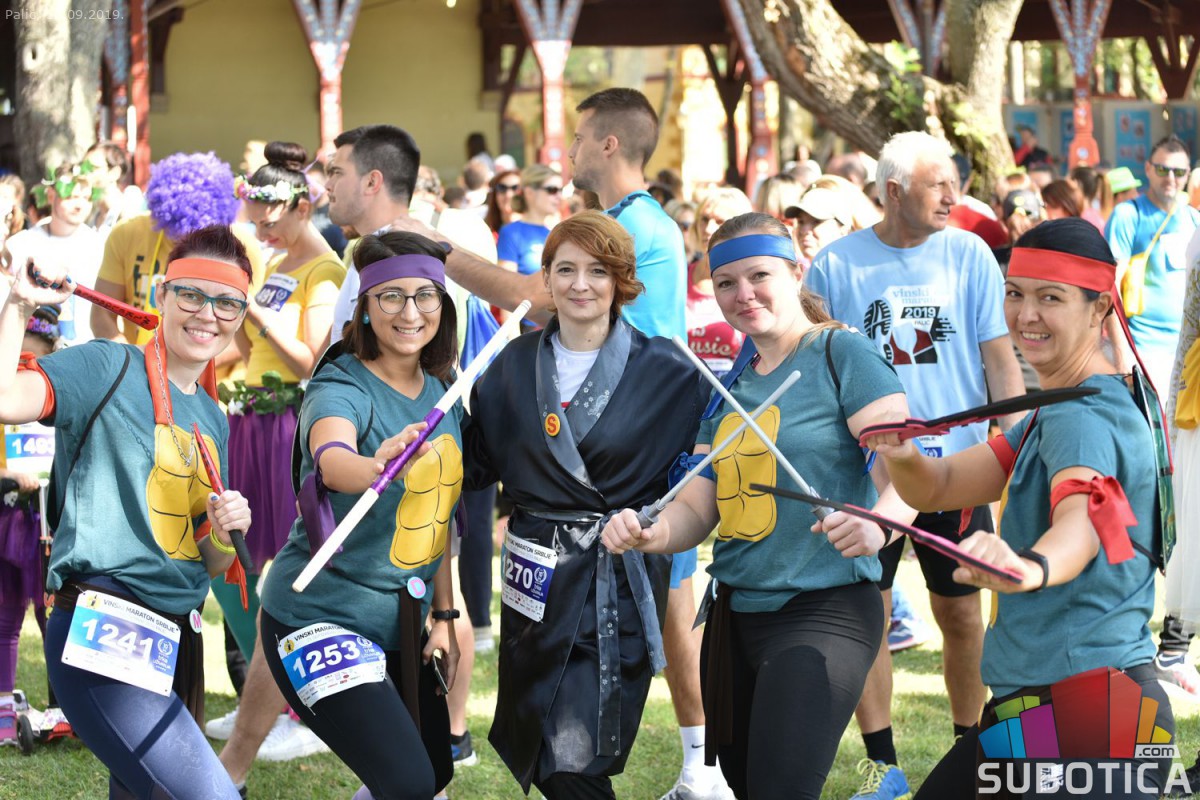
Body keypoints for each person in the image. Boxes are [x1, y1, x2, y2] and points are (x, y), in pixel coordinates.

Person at [602, 212, 911, 800]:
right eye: (726, 282)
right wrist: (650, 533)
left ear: (795, 272)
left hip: (825, 607)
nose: (743, 294)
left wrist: (880, 526)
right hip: (735, 617)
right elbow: (698, 508)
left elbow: (911, 474)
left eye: (759, 275)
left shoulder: (843, 354)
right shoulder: (729, 390)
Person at [866, 218, 1174, 799]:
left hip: (1093, 715)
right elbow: (940, 486)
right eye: (1014, 293)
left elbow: (1081, 521)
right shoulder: (1058, 406)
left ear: (1099, 309)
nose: (1026, 315)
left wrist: (1027, 566)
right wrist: (903, 453)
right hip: (1052, 708)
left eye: (1050, 298)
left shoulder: (1083, 417)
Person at [806, 130, 1025, 800]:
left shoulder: (970, 253)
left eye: (955, 181)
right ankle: (883, 765)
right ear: (894, 190)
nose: (954, 195)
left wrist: (1020, 448)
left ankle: (967, 755)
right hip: (867, 475)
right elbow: (818, 371)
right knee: (866, 618)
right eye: (940, 184)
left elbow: (999, 361)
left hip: (959, 471)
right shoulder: (835, 265)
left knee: (960, 615)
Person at [0, 225, 253, 798]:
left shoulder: (213, 418)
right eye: (191, 294)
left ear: (240, 314)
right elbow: (6, 397)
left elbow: (206, 560)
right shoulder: (106, 366)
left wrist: (223, 532)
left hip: (176, 637)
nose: (207, 314)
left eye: (227, 303)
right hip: (103, 626)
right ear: (162, 294)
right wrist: (17, 301)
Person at [464, 211, 707, 799]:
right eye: (565, 269)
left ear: (621, 280)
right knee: (544, 742)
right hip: (533, 582)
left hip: (611, 581)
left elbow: (706, 470)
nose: (580, 284)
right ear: (545, 278)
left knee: (574, 756)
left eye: (598, 271)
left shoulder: (670, 370)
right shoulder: (511, 364)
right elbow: (473, 465)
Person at [258, 230, 461, 800]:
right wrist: (375, 466)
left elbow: (439, 515)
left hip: (401, 620)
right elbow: (332, 458)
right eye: (391, 296)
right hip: (317, 614)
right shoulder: (340, 383)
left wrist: (444, 616)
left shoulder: (444, 390)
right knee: (407, 781)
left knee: (433, 778)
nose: (410, 312)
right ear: (365, 308)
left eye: (425, 295)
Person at [206, 142, 344, 757]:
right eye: (255, 219)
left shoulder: (324, 271)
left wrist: (255, 316)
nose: (260, 231)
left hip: (287, 426)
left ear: (303, 207)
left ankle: (296, 711)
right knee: (231, 560)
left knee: (281, 568)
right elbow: (248, 350)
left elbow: (310, 360)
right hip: (247, 420)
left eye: (270, 219)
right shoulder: (278, 263)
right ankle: (260, 702)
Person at [91, 151, 266, 345]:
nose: (187, 243)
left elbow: (247, 332)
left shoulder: (243, 248)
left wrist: (194, 361)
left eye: (201, 234)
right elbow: (102, 315)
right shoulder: (127, 233)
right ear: (161, 215)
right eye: (176, 232)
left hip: (213, 363)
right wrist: (134, 359)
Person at [0, 306, 58, 747]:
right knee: (6, 615)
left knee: (53, 614)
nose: (23, 368)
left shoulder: (58, 403)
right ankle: (3, 704)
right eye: (16, 359)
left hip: (52, 522)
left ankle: (67, 706)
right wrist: (9, 476)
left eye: (32, 362)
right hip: (8, 521)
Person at [2, 162, 102, 344]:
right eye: (72, 196)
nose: (80, 205)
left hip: (86, 349)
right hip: (31, 350)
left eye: (86, 198)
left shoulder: (99, 245)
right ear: (51, 195)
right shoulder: (20, 245)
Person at [498, 164, 562, 276]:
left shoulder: (556, 234)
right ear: (529, 192)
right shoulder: (511, 233)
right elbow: (507, 282)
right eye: (552, 190)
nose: (559, 196)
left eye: (561, 190)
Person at [784, 186, 853, 268]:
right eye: (801, 222)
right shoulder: (800, 273)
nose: (804, 230)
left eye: (816, 221)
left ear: (843, 230)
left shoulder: (855, 272)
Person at [485, 169, 521, 238]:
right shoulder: (484, 231)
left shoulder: (535, 230)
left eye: (515, 188)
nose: (508, 195)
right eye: (502, 188)